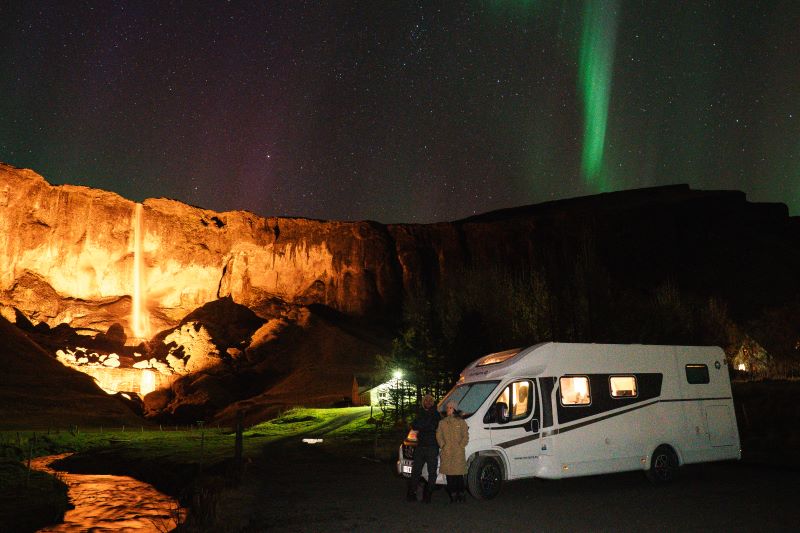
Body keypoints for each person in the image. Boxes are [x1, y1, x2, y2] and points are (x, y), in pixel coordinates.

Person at [407, 393, 441, 503]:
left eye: (430, 400)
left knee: (432, 472)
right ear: (423, 402)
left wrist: (422, 425)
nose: (427, 402)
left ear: (433, 402)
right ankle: (411, 494)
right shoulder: (421, 413)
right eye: (425, 400)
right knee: (416, 471)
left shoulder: (436, 414)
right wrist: (425, 425)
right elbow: (414, 425)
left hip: (432, 447)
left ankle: (428, 495)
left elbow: (429, 426)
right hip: (421, 446)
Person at [436, 400, 469, 502]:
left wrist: (461, 446)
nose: (448, 409)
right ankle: (453, 495)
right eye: (447, 408)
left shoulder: (461, 422)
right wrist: (443, 445)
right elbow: (438, 435)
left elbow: (465, 436)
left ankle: (461, 494)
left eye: (450, 408)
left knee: (459, 475)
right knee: (449, 476)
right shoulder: (442, 422)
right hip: (447, 453)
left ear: (454, 409)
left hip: (458, 453)